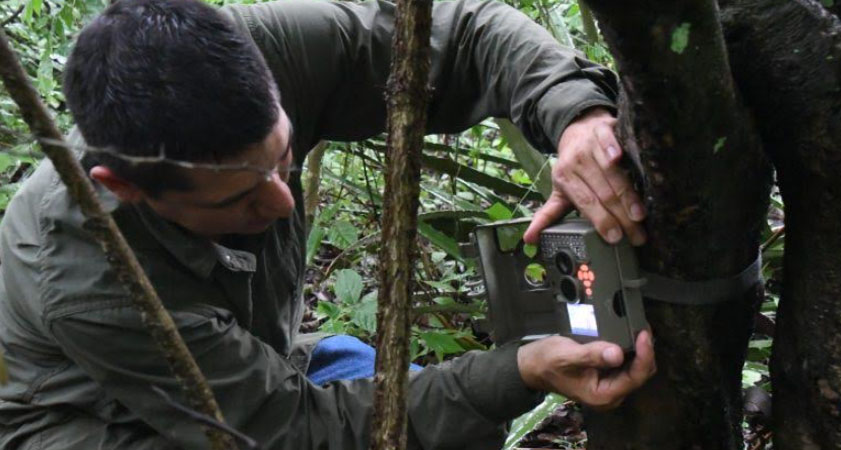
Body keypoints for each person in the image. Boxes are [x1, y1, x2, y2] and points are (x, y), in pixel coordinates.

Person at [0, 0, 655, 448]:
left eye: (284, 160)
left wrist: (575, 115)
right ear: (127, 189)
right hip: (104, 421)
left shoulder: (258, 55)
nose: (284, 206)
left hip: (261, 365)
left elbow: (465, 32)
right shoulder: (88, 274)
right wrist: (520, 373)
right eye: (238, 201)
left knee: (411, 397)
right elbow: (287, 431)